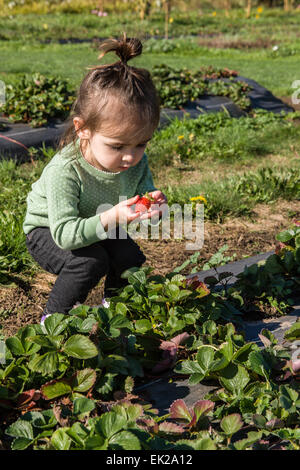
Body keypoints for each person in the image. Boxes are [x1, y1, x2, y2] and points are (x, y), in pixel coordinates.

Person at [23, 32, 168, 322]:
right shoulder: (66, 169)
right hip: (48, 231)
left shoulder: (135, 163)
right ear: (82, 129)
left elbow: (145, 196)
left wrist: (153, 207)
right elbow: (65, 235)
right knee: (90, 262)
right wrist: (113, 217)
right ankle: (52, 322)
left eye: (141, 144)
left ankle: (115, 312)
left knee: (130, 257)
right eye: (117, 146)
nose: (130, 156)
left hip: (97, 223)